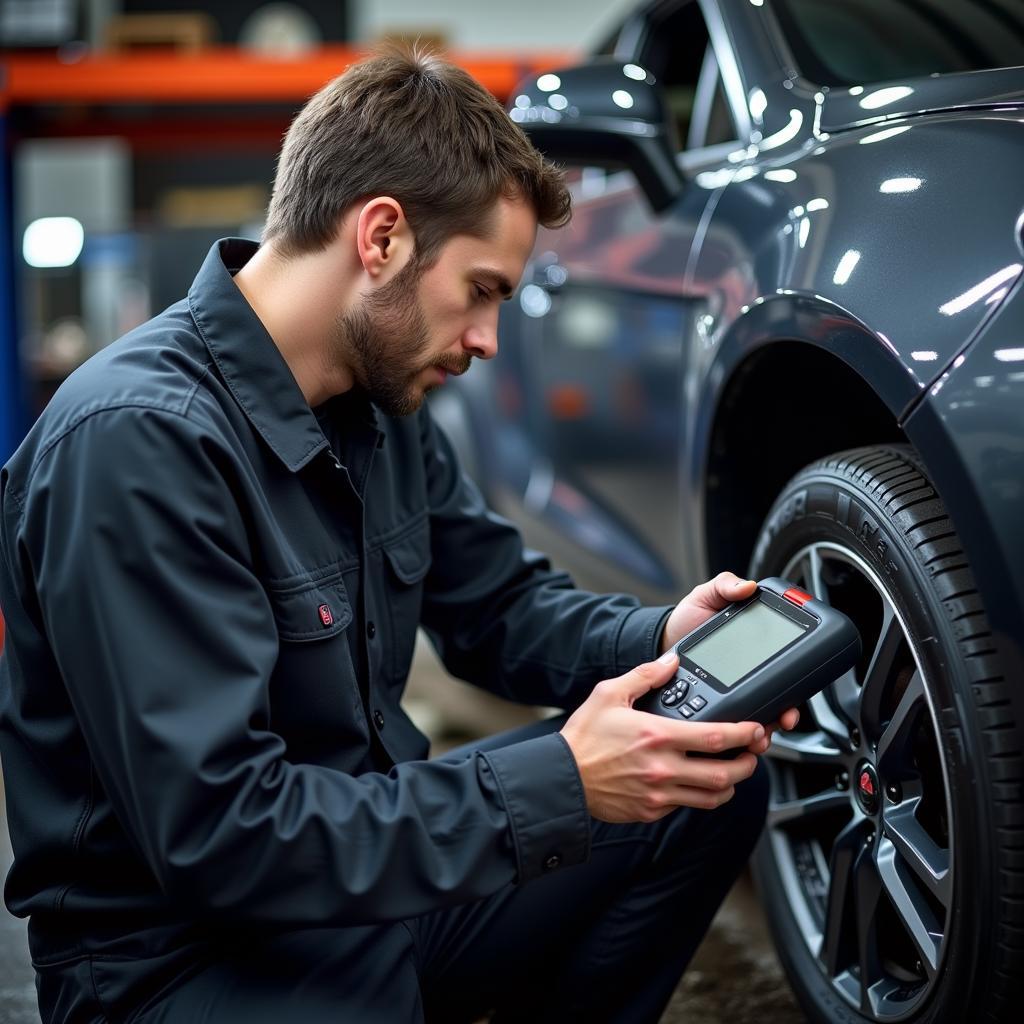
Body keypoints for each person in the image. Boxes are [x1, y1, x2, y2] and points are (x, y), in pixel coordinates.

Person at [0, 47, 798, 1023]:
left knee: (697, 789)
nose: (488, 340)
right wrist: (555, 781)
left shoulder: (380, 409)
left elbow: (499, 606)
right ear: (381, 238)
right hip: (187, 961)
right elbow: (224, 837)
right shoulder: (137, 443)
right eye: (482, 290)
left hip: (364, 888)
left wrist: (662, 636)